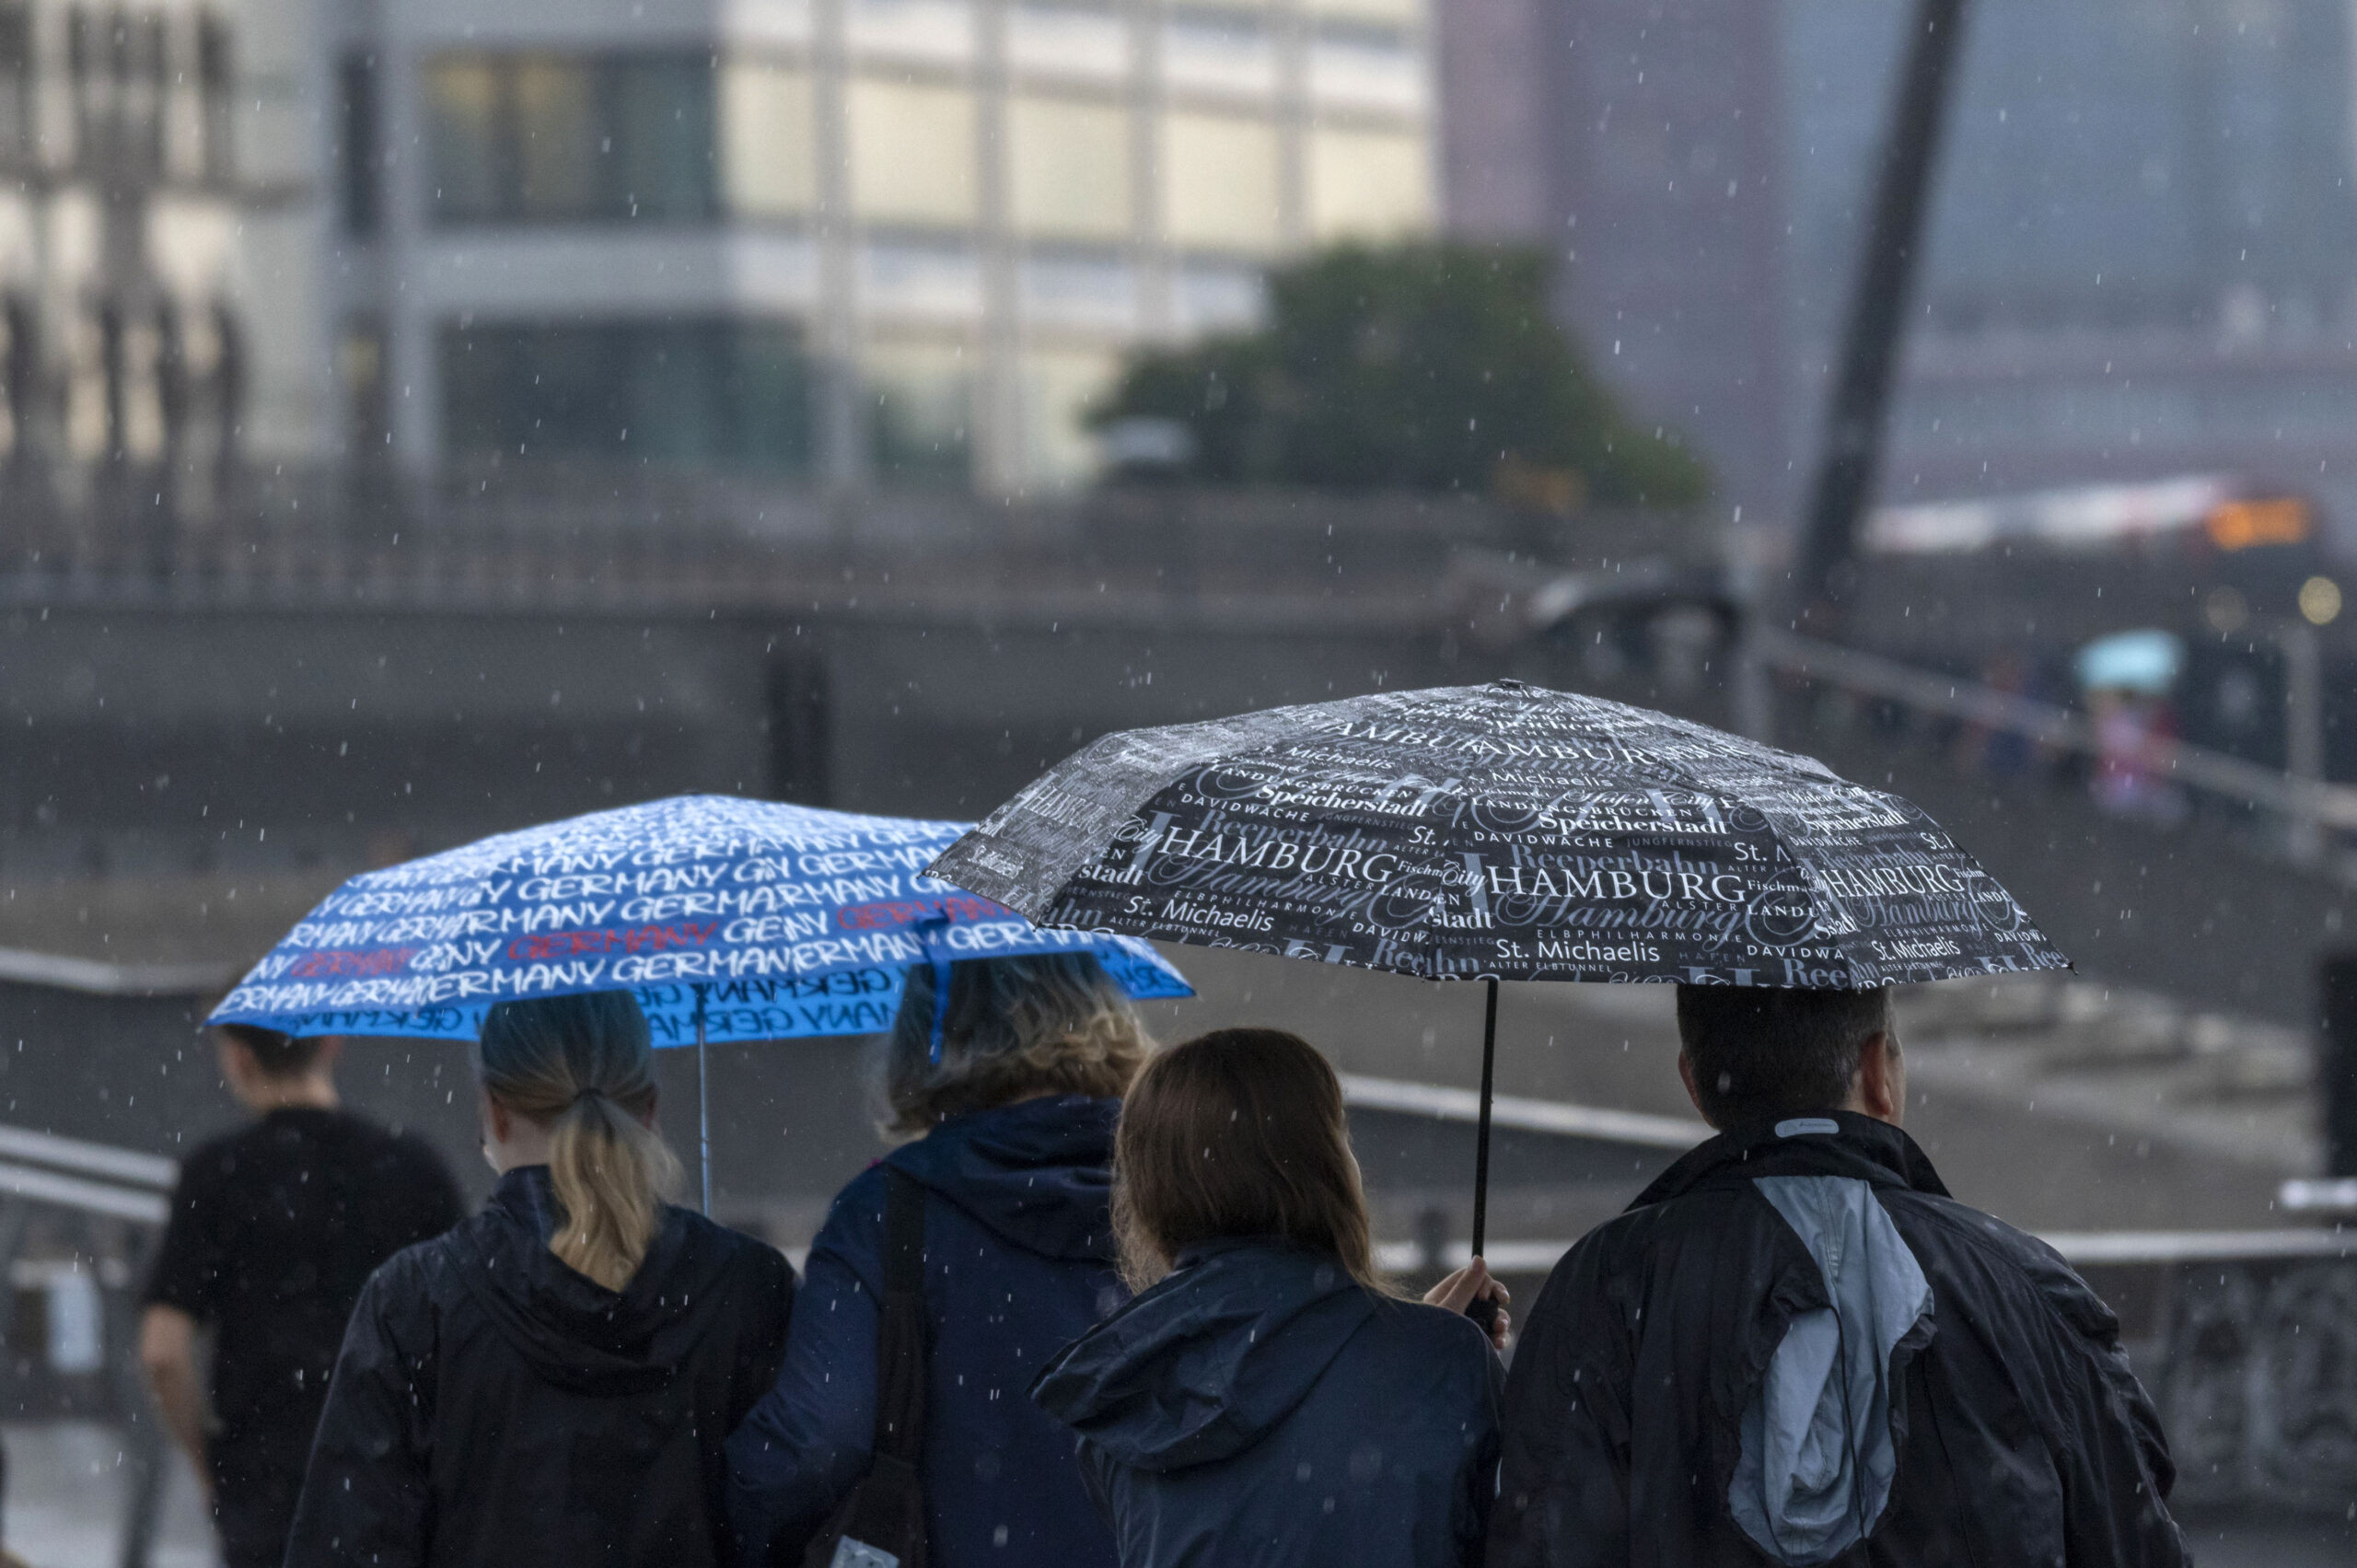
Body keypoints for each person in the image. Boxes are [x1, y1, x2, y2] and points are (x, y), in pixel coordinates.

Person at [1488, 985, 2189, 1568]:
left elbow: (1537, 1539)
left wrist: (1461, 1377)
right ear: (1878, 1069)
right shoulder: (2026, 1293)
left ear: (1696, 1084)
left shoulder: (1603, 1290)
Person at [283, 991, 793, 1567]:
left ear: (493, 1110)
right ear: (648, 1110)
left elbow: (348, 1546)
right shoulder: (751, 1287)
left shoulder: (414, 1300)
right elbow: (792, 1507)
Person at [726, 953, 1155, 1567]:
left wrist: (725, 1505)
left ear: (929, 1033)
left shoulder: (890, 1209)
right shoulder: (1176, 1190)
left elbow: (816, 1442)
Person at [1031, 1027, 1508, 1568]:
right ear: (1320, 1168)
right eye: (1341, 1135)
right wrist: (1428, 1358)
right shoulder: (1441, 1364)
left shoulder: (1129, 1385)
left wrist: (1408, 1348)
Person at [139, 1024, 462, 1568]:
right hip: (389, 1477)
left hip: (264, 1483)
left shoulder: (216, 1172)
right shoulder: (412, 1164)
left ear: (238, 1057)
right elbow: (463, 1332)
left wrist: (210, 1470)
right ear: (331, 1043)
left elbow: (162, 1353)